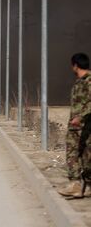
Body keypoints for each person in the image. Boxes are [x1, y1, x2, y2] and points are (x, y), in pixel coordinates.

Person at [58, 53, 91, 198]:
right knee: (81, 155)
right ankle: (83, 186)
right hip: (77, 127)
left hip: (84, 126)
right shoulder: (80, 81)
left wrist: (80, 117)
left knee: (80, 155)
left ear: (75, 65)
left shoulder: (88, 81)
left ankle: (76, 185)